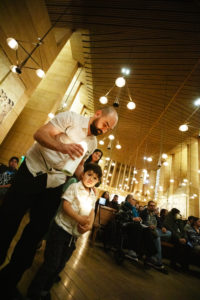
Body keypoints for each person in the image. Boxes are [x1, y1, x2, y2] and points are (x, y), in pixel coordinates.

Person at [0, 106, 118, 299]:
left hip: (54, 183)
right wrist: (62, 147)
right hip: (32, 171)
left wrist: (87, 181)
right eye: (105, 124)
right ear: (97, 114)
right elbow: (40, 134)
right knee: (7, 221)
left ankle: (8, 280)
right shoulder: (70, 118)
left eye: (109, 129)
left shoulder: (93, 142)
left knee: (35, 234)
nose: (105, 130)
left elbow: (79, 165)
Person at [26, 163, 102, 300]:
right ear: (83, 174)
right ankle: (34, 291)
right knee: (51, 263)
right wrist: (78, 218)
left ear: (97, 182)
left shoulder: (92, 195)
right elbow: (66, 205)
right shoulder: (74, 187)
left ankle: (45, 290)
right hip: (61, 229)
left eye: (95, 178)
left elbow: (92, 211)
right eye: (89, 174)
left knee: (61, 264)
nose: (91, 179)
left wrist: (89, 225)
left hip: (73, 235)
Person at [140, 201, 170, 273]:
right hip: (147, 230)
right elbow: (141, 223)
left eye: (154, 206)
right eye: (151, 205)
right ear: (148, 206)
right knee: (157, 238)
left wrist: (162, 227)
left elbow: (159, 223)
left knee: (169, 233)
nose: (152, 207)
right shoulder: (143, 213)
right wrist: (149, 226)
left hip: (155, 230)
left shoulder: (155, 214)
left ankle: (152, 257)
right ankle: (158, 263)